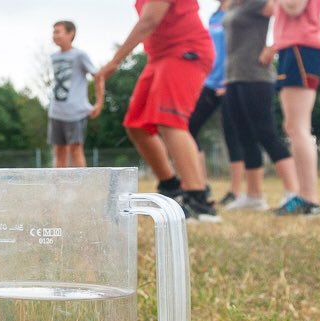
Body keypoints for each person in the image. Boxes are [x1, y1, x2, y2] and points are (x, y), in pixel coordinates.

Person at [98, 0, 220, 223]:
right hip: (159, 57)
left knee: (171, 122)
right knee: (135, 124)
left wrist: (114, 62)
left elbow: (150, 20)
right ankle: (171, 188)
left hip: (186, 50)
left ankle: (199, 201)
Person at [220, 0, 300, 211]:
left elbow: (288, 14)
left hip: (256, 77)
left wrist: (274, 46)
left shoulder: (260, 2)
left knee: (266, 133)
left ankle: (294, 193)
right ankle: (254, 196)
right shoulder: (234, 5)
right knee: (244, 136)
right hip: (234, 77)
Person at [267, 0, 320, 217]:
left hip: (302, 46)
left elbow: (294, 6)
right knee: (294, 126)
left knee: (298, 127)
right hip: (294, 47)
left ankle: (309, 199)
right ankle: (304, 196)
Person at [48, 20, 104, 168]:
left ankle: (82, 189)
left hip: (75, 112)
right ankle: (59, 189)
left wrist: (99, 103)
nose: (55, 35)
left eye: (58, 31)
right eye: (53, 32)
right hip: (56, 111)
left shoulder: (80, 55)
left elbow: (98, 76)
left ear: (70, 33)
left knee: (75, 149)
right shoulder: (54, 56)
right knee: (59, 151)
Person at [187, 4, 226, 199]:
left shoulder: (236, 14)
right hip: (208, 82)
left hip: (228, 81)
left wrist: (229, 79)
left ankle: (242, 192)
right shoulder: (214, 16)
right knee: (190, 127)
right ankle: (200, 182)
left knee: (236, 136)